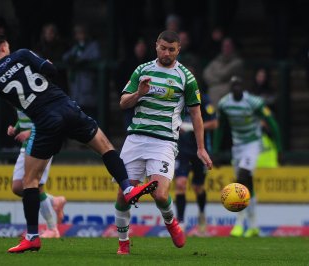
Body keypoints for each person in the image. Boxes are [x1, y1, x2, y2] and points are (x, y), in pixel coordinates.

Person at [0, 33, 158, 253]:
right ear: (4, 46)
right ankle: (127, 187)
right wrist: (46, 65)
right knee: (106, 147)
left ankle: (32, 237)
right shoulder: (21, 54)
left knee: (29, 181)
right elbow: (51, 70)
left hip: (45, 121)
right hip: (66, 106)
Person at [114, 30, 213, 255]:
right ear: (156, 46)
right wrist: (139, 93)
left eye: (171, 49)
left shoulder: (185, 76)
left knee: (159, 194)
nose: (166, 53)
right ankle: (123, 243)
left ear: (178, 50)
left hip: (164, 141)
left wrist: (201, 148)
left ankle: (171, 222)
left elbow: (196, 115)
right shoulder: (142, 70)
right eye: (162, 48)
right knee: (122, 195)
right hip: (136, 138)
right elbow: (123, 103)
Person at [213, 76, 282, 238]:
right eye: (233, 85)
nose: (236, 88)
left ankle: (239, 222)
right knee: (246, 182)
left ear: (242, 87)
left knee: (242, 177)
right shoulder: (224, 104)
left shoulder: (253, 102)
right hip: (237, 145)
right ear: (230, 88)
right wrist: (215, 151)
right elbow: (220, 127)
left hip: (252, 143)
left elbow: (272, 123)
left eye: (239, 85)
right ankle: (253, 225)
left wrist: (279, 148)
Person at [7, 110, 66, 238]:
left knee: (36, 185)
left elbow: (48, 118)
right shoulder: (18, 95)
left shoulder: (35, 94)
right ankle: (53, 201)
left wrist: (30, 132)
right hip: (26, 146)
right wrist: (16, 128)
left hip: (41, 143)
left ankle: (52, 229)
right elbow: (25, 118)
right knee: (17, 187)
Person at [174, 89, 217, 235]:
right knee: (180, 184)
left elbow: (214, 123)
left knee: (198, 187)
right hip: (181, 150)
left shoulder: (203, 100)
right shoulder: (176, 99)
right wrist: (177, 127)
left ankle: (202, 216)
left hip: (200, 149)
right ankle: (181, 223)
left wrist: (194, 127)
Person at [62, 24, 101, 119]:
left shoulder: (92, 45)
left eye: (81, 33)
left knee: (90, 115)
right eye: (78, 33)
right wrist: (72, 59)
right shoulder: (76, 47)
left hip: (88, 84)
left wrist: (81, 60)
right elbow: (65, 57)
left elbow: (96, 56)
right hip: (76, 87)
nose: (80, 36)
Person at [203, 37, 244, 108]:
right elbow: (206, 74)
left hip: (227, 96)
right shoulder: (217, 60)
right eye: (224, 46)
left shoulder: (237, 62)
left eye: (228, 46)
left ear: (233, 47)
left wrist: (214, 76)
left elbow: (224, 74)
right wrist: (218, 79)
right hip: (212, 95)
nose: (226, 48)